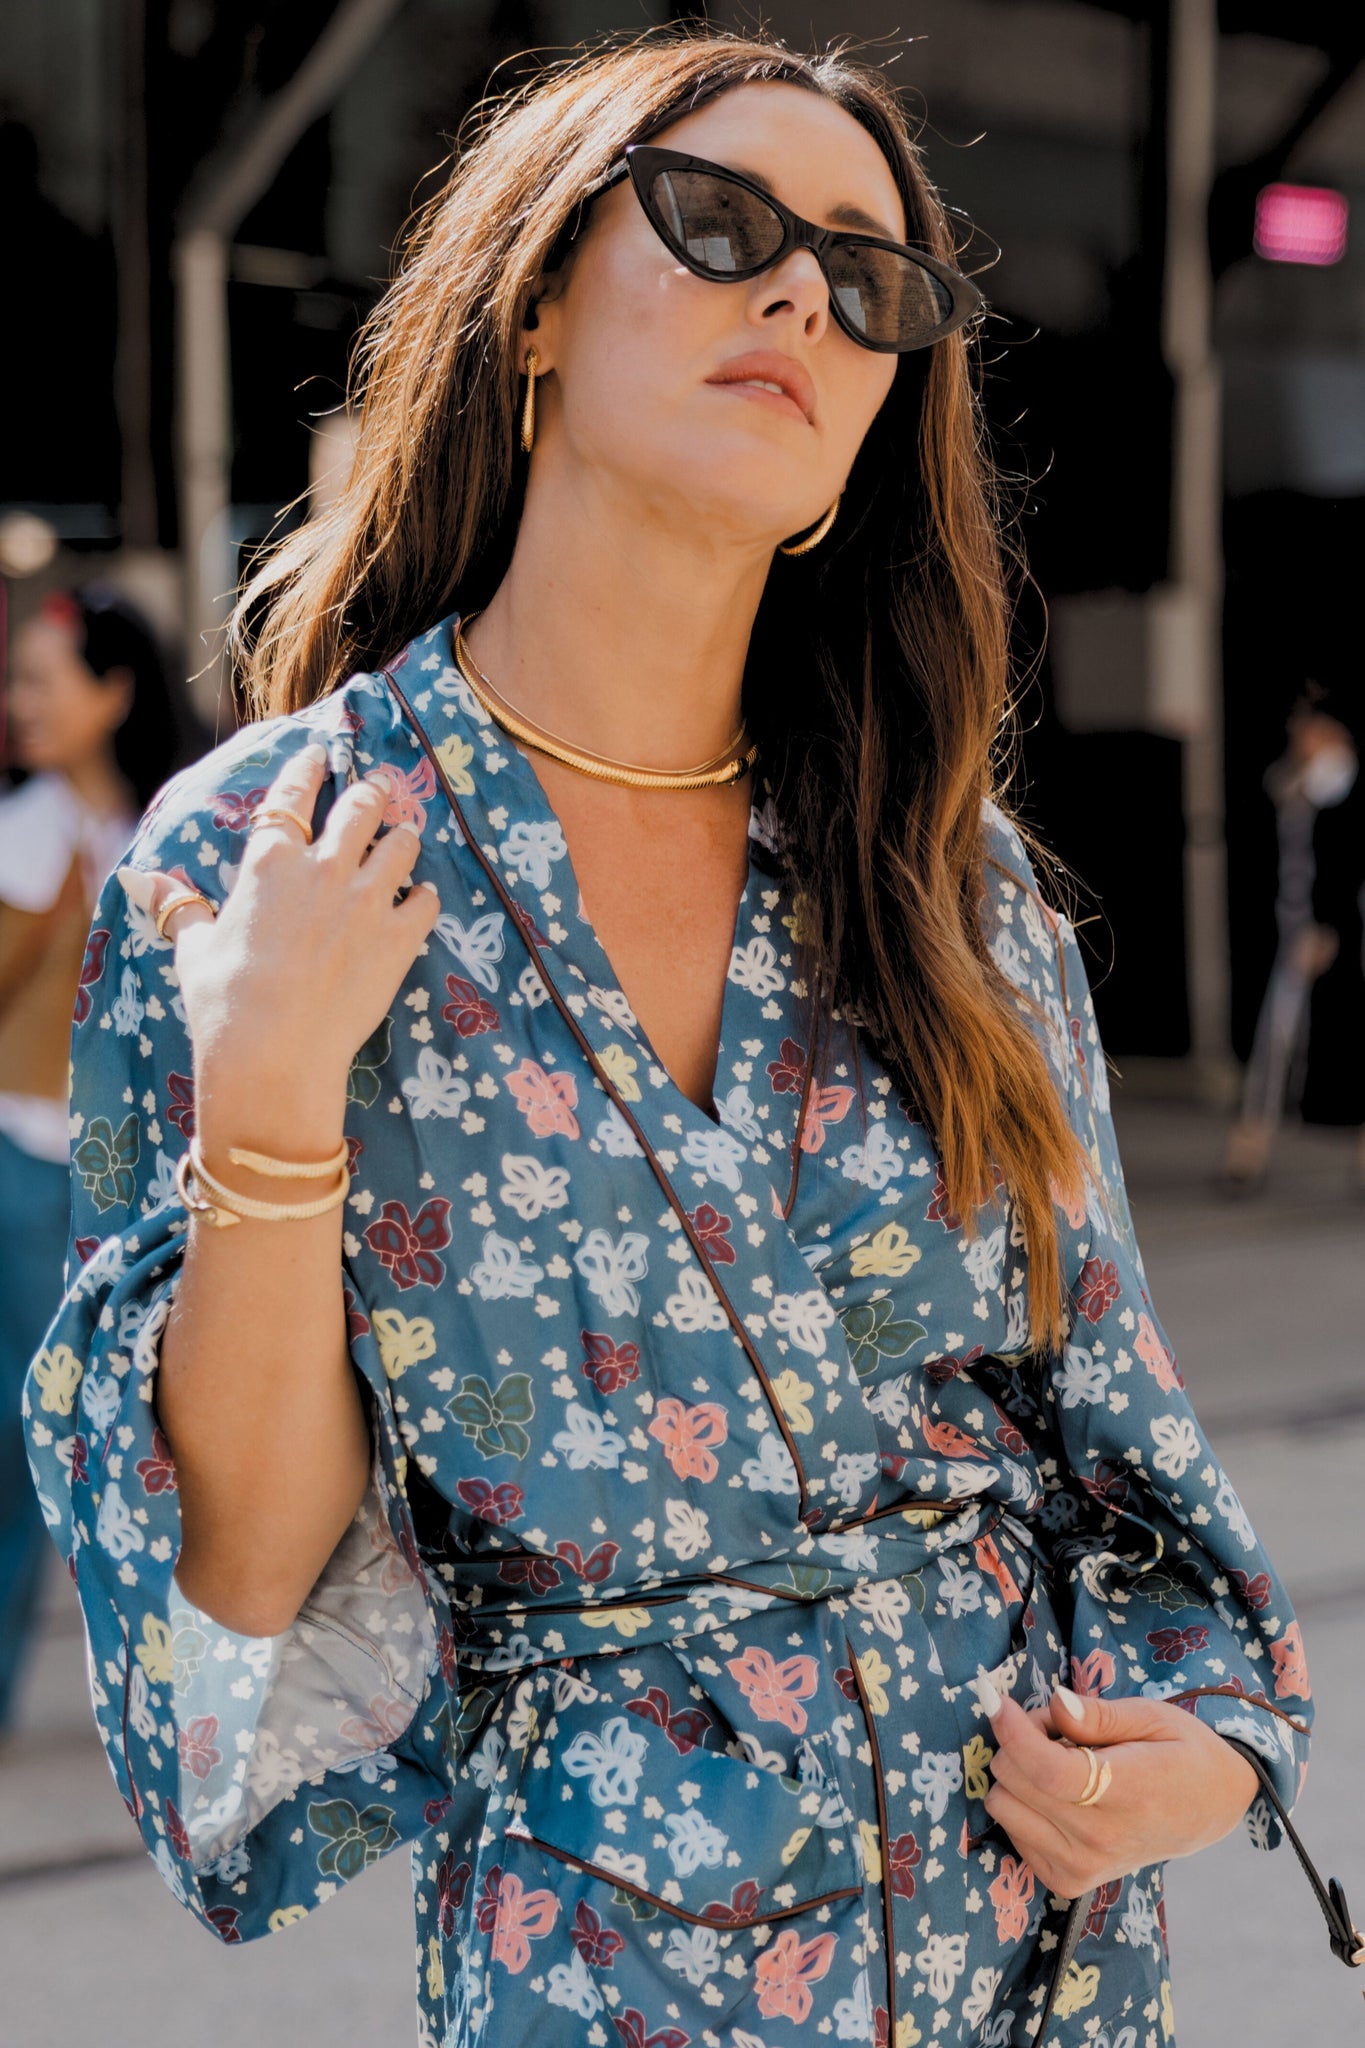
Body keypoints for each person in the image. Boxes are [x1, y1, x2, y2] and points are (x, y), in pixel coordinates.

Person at [24, 32, 1312, 2047]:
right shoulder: (277, 849)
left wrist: (1200, 1757)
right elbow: (249, 1572)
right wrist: (270, 1091)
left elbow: (1129, 1481)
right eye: (718, 225)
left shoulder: (946, 884)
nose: (800, 292)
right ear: (531, 306)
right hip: (608, 1964)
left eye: (870, 278)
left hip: (1034, 1968)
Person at [0, 585, 177, 1733]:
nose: (19, 703)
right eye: (15, 680)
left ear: (114, 694)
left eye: (40, 679)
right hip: (29, 1165)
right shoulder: (28, 830)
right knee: (34, 1436)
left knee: (123, 1438)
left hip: (133, 1184)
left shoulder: (160, 822)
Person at [1223, 694, 1359, 1190]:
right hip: (1290, 932)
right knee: (1275, 1043)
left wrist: (1332, 928)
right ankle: (1249, 1147)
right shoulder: (1291, 784)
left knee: (1335, 1043)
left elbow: (1344, 865)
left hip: (1329, 936)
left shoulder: (1339, 782)